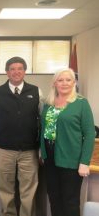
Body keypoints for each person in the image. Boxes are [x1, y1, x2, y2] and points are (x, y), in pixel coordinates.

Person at [0, 56, 42, 216]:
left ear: (25, 71)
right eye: (12, 69)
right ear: (7, 72)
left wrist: (41, 148)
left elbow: (43, 120)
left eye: (19, 69)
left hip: (29, 151)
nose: (16, 72)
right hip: (4, 150)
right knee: (5, 189)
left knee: (28, 191)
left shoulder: (36, 91)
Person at [40, 68, 95, 216]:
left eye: (68, 80)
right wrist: (42, 152)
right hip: (49, 157)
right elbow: (44, 129)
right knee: (54, 197)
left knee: (70, 200)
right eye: (60, 80)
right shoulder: (48, 103)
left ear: (74, 82)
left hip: (71, 158)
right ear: (54, 83)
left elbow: (90, 134)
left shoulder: (81, 103)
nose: (64, 83)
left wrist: (84, 162)